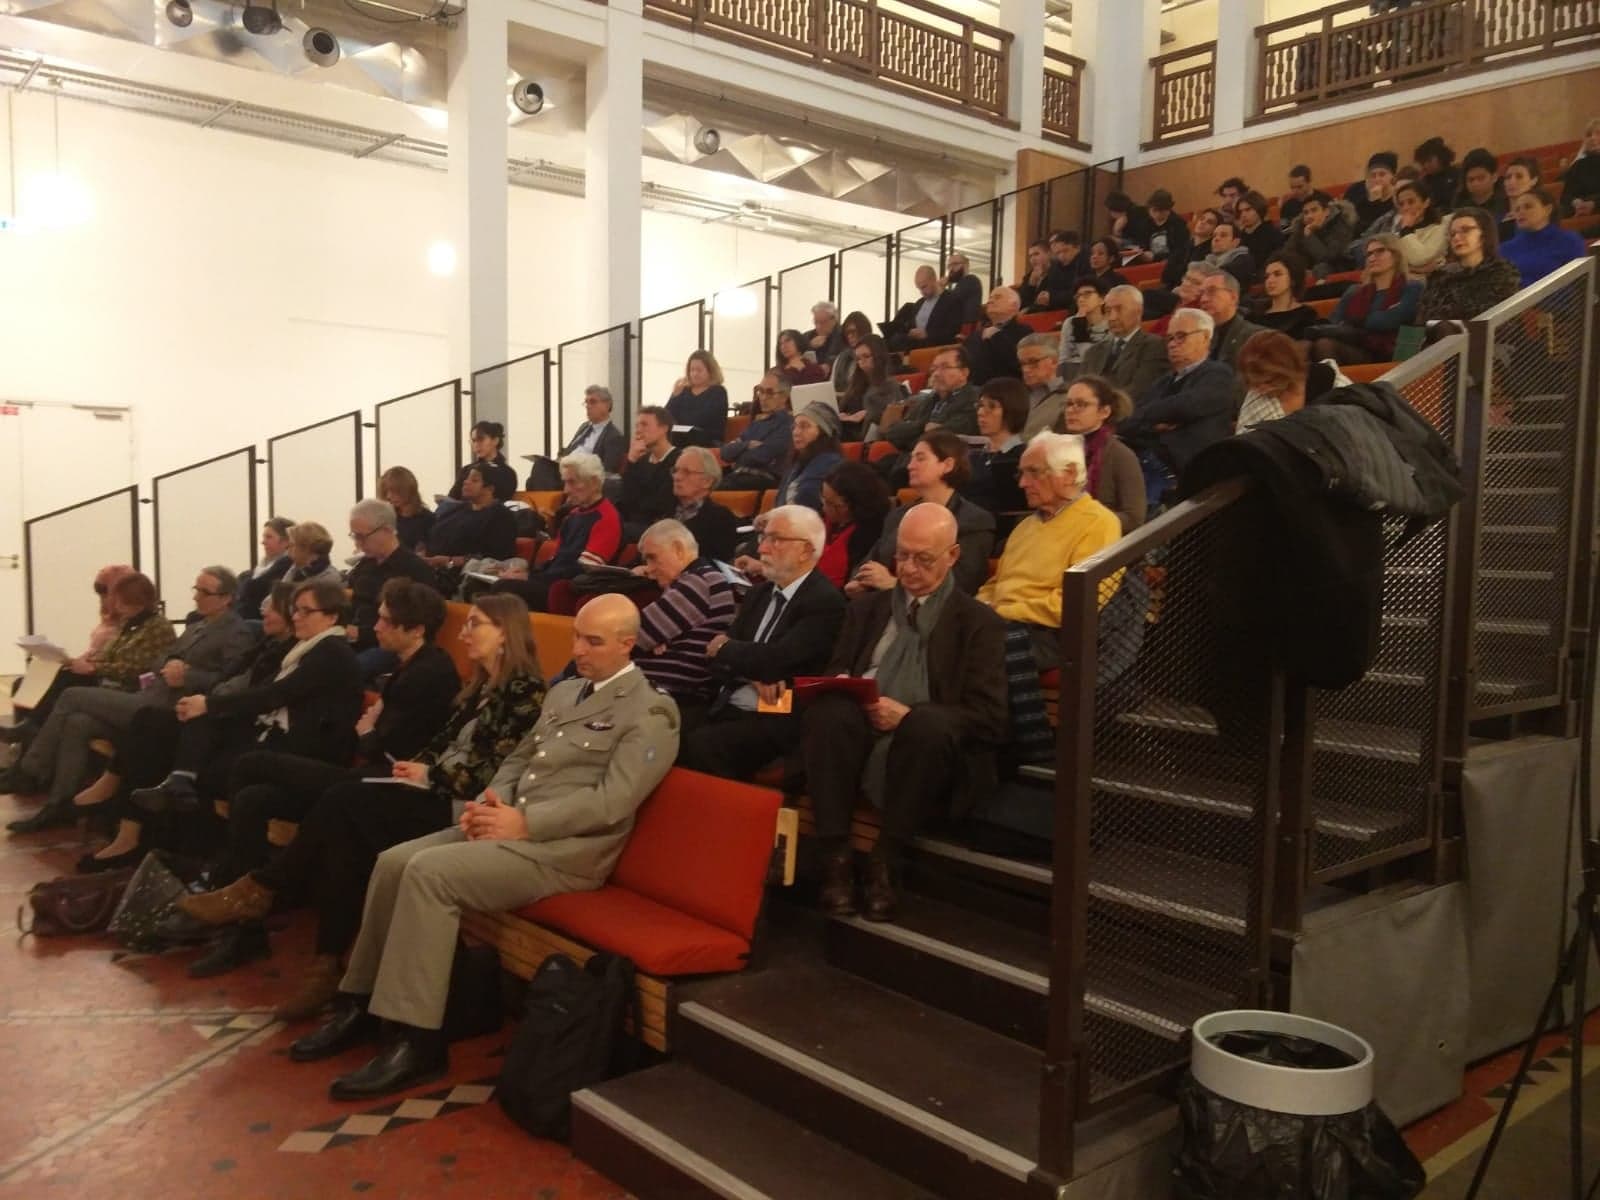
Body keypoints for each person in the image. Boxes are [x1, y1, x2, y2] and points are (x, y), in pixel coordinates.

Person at [290, 594, 677, 1100]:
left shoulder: (650, 711)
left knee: (429, 875)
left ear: (628, 644)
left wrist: (524, 822)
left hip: (568, 853)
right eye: (578, 636)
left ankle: (420, 1041)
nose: (578, 648)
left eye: (594, 641)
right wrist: (497, 800)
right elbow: (520, 758)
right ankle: (359, 1003)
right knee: (393, 862)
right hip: (514, 825)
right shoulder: (566, 695)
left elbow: (613, 802)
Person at [172, 589, 543, 1017]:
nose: (464, 632)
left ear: (506, 631)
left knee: (328, 794)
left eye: (475, 623)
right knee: (307, 812)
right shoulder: (478, 686)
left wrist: (424, 772)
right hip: (422, 788)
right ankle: (321, 965)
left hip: (460, 807)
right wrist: (416, 767)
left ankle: (261, 890)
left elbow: (493, 771)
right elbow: (437, 747)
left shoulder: (523, 690)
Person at [804, 503, 1007, 921]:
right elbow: (836, 671)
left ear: (952, 556)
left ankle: (886, 862)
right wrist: (849, 688)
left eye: (923, 558)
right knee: (830, 712)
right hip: (862, 724)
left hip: (929, 742)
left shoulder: (977, 623)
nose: (909, 569)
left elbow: (988, 717)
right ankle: (836, 859)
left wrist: (907, 715)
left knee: (926, 725)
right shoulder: (866, 609)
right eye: (902, 556)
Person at [4, 570, 249, 834]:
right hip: (150, 695)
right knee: (79, 722)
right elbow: (158, 660)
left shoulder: (237, 632)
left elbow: (231, 680)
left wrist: (189, 676)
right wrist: (169, 664)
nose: (195, 596)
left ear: (226, 599)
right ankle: (60, 804)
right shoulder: (196, 626)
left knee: (71, 695)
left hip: (167, 710)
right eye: (196, 588)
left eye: (204, 592)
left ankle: (29, 771)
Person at [75, 583, 294, 872]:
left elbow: (254, 695)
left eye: (274, 608)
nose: (264, 611)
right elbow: (168, 660)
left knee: (148, 723)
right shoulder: (261, 644)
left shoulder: (260, 641)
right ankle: (128, 828)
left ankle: (130, 830)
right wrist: (182, 673)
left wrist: (202, 694)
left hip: (233, 724)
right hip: (208, 708)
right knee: (147, 720)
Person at [678, 505, 845, 780]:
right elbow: (715, 660)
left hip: (777, 717)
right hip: (729, 701)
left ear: (806, 550)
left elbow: (778, 659)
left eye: (775, 540)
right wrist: (751, 670)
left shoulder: (825, 602)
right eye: (763, 538)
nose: (763, 549)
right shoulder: (759, 593)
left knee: (704, 746)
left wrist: (728, 649)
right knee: (666, 727)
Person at [977, 431, 1123, 670]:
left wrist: (1001, 612)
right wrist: (980, 607)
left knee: (977, 648)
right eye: (1021, 472)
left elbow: (1074, 604)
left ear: (1069, 474)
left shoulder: (1100, 523)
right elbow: (996, 584)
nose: (1022, 482)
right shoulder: (1025, 526)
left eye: (1034, 472)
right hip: (1001, 622)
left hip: (1050, 635)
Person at [851, 430, 996, 597]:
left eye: (920, 458)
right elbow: (872, 559)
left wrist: (893, 584)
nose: (910, 465)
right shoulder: (899, 515)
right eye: (912, 458)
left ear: (947, 465)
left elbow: (963, 585)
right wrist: (858, 581)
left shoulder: (974, 521)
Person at [1119, 308, 1237, 498]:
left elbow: (1184, 406)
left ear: (1205, 338)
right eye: (1170, 338)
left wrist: (1152, 419)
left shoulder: (1218, 374)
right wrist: (1158, 424)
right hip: (1150, 461)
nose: (1173, 344)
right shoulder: (1164, 381)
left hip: (1186, 471)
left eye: (1181, 337)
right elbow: (1128, 421)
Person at [490, 452, 621, 612]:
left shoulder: (607, 518)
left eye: (572, 482)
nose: (566, 490)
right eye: (565, 483)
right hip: (553, 583)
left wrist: (530, 578)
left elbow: (583, 571)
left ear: (594, 482)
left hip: (572, 591)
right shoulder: (572, 516)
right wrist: (527, 572)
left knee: (503, 588)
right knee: (483, 585)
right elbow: (556, 560)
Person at [626, 519, 737, 704]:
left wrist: (649, 644)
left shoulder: (697, 582)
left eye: (653, 557)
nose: (649, 568)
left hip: (669, 694)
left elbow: (631, 637)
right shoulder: (699, 578)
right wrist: (653, 641)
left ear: (678, 549)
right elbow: (642, 637)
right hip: (655, 688)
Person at [346, 498, 441, 678]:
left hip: (391, 646)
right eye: (354, 536)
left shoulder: (415, 570)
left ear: (387, 530)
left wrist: (360, 633)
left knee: (342, 670)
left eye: (361, 536)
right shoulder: (365, 566)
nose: (358, 544)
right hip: (357, 639)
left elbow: (420, 623)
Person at [1310, 234, 1423, 365]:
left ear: (1396, 255)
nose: (1372, 258)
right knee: (1320, 345)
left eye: (1380, 251)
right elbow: (1333, 324)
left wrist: (1361, 322)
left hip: (1396, 352)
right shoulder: (1355, 292)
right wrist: (1382, 316)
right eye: (1369, 254)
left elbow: (1396, 318)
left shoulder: (1412, 286)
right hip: (1361, 349)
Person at [1054, 376, 1146, 533]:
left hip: (1102, 543)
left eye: (1081, 404)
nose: (1070, 410)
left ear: (1104, 411)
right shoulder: (1055, 449)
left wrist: (1082, 519)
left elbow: (1134, 519)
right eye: (1069, 404)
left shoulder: (1120, 455)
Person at [1417, 207, 1522, 324]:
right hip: (1437, 340)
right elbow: (1419, 319)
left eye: (1465, 230)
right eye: (1452, 234)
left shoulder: (1503, 272)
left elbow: (1489, 320)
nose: (1456, 237)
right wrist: (1406, 343)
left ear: (1484, 235)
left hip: (1478, 339)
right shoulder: (1439, 276)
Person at [1076, 285, 1170, 405]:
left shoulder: (1154, 346)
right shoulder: (1093, 351)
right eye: (1108, 311)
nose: (1112, 317)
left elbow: (1139, 390)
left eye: (1119, 309)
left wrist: (1099, 408)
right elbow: (1079, 388)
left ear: (1138, 311)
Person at [1236, 330, 1345, 432]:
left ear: (1286, 370)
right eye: (1254, 384)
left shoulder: (1332, 384)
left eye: (1268, 382)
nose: (1261, 390)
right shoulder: (1255, 395)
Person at [880, 347, 979, 451]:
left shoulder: (972, 400)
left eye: (945, 367)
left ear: (964, 373)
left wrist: (912, 432)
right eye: (934, 368)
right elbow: (892, 433)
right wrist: (923, 426)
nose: (936, 374)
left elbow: (945, 437)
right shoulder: (928, 400)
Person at [422, 463, 517, 567]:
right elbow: (431, 534)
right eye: (467, 478)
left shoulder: (501, 517)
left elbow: (493, 558)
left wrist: (450, 561)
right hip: (430, 565)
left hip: (463, 573)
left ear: (490, 488)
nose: (465, 482)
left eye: (474, 480)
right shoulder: (454, 509)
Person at [816, 462, 892, 588]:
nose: (825, 508)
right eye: (824, 500)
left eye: (835, 505)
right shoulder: (821, 518)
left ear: (857, 504)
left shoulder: (869, 532)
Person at [962, 377, 1030, 518]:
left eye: (992, 406)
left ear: (1012, 410)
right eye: (980, 405)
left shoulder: (1023, 458)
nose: (981, 412)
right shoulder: (972, 457)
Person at [1500, 188, 1589, 286]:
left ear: (1547, 210)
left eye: (1528, 207)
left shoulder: (1569, 240)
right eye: (1517, 209)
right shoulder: (1505, 249)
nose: (1521, 212)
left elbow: (1578, 283)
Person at [668, 446, 740, 565]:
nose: (677, 477)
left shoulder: (720, 518)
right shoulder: (662, 509)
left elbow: (716, 566)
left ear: (707, 481)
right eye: (675, 470)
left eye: (686, 472)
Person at [721, 372, 794, 488]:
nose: (763, 398)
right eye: (760, 391)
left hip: (764, 478)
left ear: (784, 397)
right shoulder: (757, 423)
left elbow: (760, 457)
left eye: (770, 393)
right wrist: (748, 445)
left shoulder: (788, 424)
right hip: (740, 475)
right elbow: (725, 453)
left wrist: (739, 451)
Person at [617, 406, 681, 536]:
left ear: (664, 428)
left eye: (644, 425)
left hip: (660, 526)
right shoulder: (639, 461)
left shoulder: (679, 459)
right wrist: (631, 461)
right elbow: (626, 499)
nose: (638, 430)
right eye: (637, 426)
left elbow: (661, 503)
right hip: (634, 523)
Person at [1199, 271, 1268, 383]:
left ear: (1233, 297)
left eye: (1212, 291)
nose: (1203, 299)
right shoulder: (1198, 336)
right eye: (1201, 293)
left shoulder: (1256, 337)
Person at [774, 403, 844, 512]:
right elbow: (779, 503)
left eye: (804, 426)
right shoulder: (797, 463)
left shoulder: (830, 461)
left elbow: (806, 500)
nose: (796, 432)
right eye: (794, 426)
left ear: (824, 432)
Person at [837, 335, 902, 442]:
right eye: (858, 358)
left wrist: (867, 414)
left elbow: (886, 416)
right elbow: (845, 407)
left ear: (878, 356)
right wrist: (843, 416)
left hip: (866, 437)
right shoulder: (856, 383)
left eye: (866, 356)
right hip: (847, 430)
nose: (861, 362)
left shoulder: (889, 385)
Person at [883, 265, 962, 350]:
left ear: (934, 280)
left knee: (895, 341)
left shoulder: (951, 300)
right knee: (888, 340)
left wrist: (927, 334)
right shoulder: (919, 303)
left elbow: (953, 331)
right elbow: (911, 326)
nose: (922, 292)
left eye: (924, 287)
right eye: (919, 288)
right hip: (914, 345)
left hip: (933, 345)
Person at [1281, 191, 1358, 279]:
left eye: (1314, 210)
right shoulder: (1301, 228)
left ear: (1326, 211)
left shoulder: (1340, 224)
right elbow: (1286, 255)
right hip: (1310, 271)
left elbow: (1330, 257)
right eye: (1306, 213)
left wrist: (1309, 237)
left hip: (1339, 269)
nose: (1309, 216)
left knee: (1322, 269)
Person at [552, 386, 626, 477]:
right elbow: (570, 450)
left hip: (582, 477)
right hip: (564, 469)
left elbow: (606, 470)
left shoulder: (614, 436)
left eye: (593, 402)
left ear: (607, 405)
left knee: (542, 470)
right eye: (586, 402)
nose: (588, 406)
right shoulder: (584, 427)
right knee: (541, 464)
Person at [962, 286, 1027, 385]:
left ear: (1013, 305)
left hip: (1005, 389)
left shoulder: (1024, 332)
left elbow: (1019, 365)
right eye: (990, 298)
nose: (990, 301)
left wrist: (996, 336)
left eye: (997, 297)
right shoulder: (975, 335)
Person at [1250, 252, 1320, 340]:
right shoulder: (1255, 315)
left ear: (1293, 279)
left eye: (1277, 274)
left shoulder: (1306, 315)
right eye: (1267, 276)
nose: (1270, 280)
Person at [666, 350, 729, 445]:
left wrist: (682, 426)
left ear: (710, 371)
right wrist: (674, 396)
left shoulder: (718, 392)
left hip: (708, 439)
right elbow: (665, 417)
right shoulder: (684, 390)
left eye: (699, 370)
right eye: (692, 370)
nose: (694, 374)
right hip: (682, 438)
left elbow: (703, 419)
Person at [448, 422, 517, 508]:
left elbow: (501, 500)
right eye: (473, 441)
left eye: (481, 439)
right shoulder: (466, 470)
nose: (476, 445)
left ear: (495, 440)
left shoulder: (507, 473)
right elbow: (452, 497)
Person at [235, 518, 294, 617]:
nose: (263, 542)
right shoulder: (250, 574)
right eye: (264, 537)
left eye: (269, 537)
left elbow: (253, 589)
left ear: (286, 542)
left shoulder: (287, 567)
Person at [1390, 180, 1448, 279]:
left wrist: (1406, 230)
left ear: (1426, 203)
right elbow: (1391, 264)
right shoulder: (1398, 233)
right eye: (1401, 204)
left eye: (1411, 202)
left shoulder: (1439, 229)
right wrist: (1415, 269)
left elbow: (1419, 258)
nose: (1406, 208)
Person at [1019, 333, 1072, 438]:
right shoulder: (1016, 396)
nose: (1026, 369)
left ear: (1054, 361)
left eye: (1033, 362)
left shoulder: (1070, 397)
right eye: (1022, 363)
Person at [379, 468, 435, 553]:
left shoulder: (428, 519)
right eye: (386, 492)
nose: (388, 496)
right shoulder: (387, 517)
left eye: (394, 491)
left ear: (408, 490)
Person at [1162, 209, 1219, 290]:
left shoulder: (1210, 253)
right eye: (1202, 219)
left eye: (1209, 222)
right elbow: (1165, 276)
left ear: (1215, 230)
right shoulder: (1182, 245)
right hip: (1170, 289)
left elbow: (1192, 279)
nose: (1202, 222)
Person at [1344, 151, 1400, 233]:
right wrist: (1371, 201)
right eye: (1373, 175)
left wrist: (1375, 202)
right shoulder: (1356, 189)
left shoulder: (1397, 197)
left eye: (1382, 174)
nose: (1377, 179)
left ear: (1393, 176)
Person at [1060, 281, 1111, 365]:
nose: (1081, 299)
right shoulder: (1070, 322)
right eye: (1078, 296)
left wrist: (1080, 326)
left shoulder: (1111, 323)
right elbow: (1063, 359)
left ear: (1102, 300)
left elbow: (1091, 359)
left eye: (1087, 294)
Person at [1558, 117, 1600, 219]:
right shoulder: (1578, 165)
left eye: (1598, 133)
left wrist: (1594, 203)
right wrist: (1576, 202)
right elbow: (1566, 196)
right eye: (1589, 135)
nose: (1593, 138)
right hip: (1577, 212)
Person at [1496, 156, 1542, 245]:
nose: (1512, 181)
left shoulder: (1541, 214)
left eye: (1519, 176)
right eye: (1508, 177)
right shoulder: (1496, 216)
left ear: (1534, 180)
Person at [284, 522, 343, 589]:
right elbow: (275, 597)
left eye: (292, 544)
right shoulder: (296, 569)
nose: (287, 547)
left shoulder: (328, 578)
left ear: (306, 548)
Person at [1233, 190, 1285, 266]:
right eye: (1240, 212)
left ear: (1259, 209)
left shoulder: (1273, 234)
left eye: (1248, 210)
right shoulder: (1239, 237)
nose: (1243, 215)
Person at [829, 310, 874, 395]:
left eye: (853, 331)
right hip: (841, 401)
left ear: (863, 330)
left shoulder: (874, 354)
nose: (850, 336)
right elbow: (831, 386)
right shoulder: (841, 357)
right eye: (847, 333)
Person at [1453, 147, 1507, 218]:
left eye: (1481, 178)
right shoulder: (1460, 202)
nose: (1475, 184)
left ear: (1494, 177)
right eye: (1471, 179)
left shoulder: (1506, 200)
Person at [1204, 219, 1258, 288]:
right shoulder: (1208, 261)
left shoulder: (1244, 260)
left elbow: (1220, 277)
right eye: (1214, 236)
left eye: (1223, 235)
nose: (1216, 239)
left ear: (1235, 242)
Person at [1143, 189, 1191, 264]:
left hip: (1170, 262)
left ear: (1168, 210)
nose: (1157, 214)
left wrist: (1156, 257)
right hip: (1149, 261)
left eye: (1160, 211)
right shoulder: (1147, 223)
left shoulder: (1178, 224)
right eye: (1153, 210)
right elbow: (1144, 244)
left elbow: (1181, 251)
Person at [1041, 231, 1089, 306]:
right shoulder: (1056, 266)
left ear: (1078, 248)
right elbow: (1051, 286)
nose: (1062, 256)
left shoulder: (1086, 263)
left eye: (1066, 251)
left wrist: (1052, 297)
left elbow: (1078, 293)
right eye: (1058, 253)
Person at [1414, 136, 1459, 211]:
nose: (1426, 165)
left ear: (1441, 157)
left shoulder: (1456, 174)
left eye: (1429, 160)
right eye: (1422, 162)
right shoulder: (1425, 181)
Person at [942, 253, 984, 324]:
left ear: (966, 265)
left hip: (966, 329)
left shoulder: (970, 280)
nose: (951, 269)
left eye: (955, 264)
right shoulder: (961, 284)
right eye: (949, 266)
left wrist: (940, 287)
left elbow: (950, 301)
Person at [1016, 240, 1053, 310]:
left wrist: (1028, 310)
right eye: (1030, 256)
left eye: (1036, 254)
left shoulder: (1056, 273)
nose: (1033, 259)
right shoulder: (1028, 277)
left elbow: (1044, 303)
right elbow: (1020, 302)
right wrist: (1031, 285)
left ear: (1048, 254)